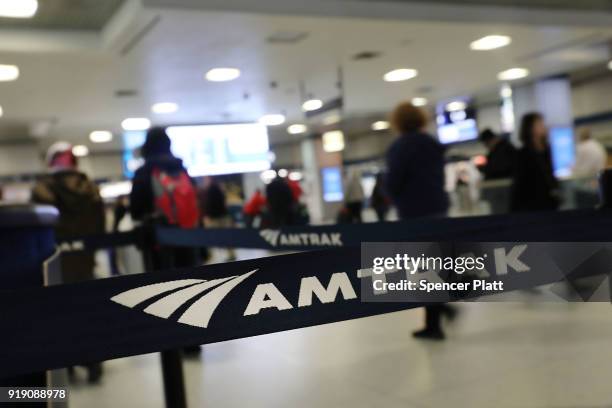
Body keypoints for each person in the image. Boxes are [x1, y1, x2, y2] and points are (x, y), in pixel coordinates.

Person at [32, 141, 105, 383]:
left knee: (59, 315)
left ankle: (67, 365)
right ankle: (93, 364)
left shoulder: (42, 190)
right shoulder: (91, 189)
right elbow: (100, 227)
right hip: (84, 260)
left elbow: (40, 230)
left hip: (55, 263)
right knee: (89, 314)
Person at [384, 102, 454, 341]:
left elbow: (393, 182)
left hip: (414, 213)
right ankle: (440, 309)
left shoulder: (400, 147)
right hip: (438, 208)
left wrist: (393, 197)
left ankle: (434, 323)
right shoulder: (433, 144)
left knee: (423, 268)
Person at [511, 113, 560, 212]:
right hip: (531, 205)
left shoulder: (548, 151)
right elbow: (520, 184)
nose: (543, 126)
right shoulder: (523, 154)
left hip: (549, 203)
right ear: (530, 128)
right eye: (539, 124)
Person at [199, 180, 235, 261]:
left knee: (210, 237)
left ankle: (210, 255)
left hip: (214, 218)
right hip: (223, 216)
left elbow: (208, 205)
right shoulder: (220, 190)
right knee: (226, 236)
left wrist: (207, 215)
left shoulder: (208, 192)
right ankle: (231, 254)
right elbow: (224, 203)